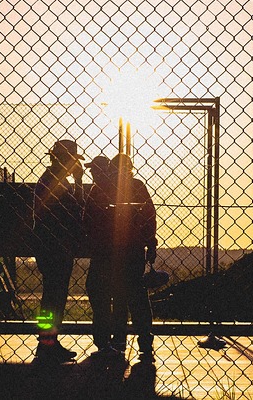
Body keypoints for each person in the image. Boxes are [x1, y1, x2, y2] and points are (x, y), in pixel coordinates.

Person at [33, 139, 86, 362]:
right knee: (54, 297)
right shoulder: (56, 182)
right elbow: (76, 212)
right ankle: (47, 343)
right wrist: (79, 181)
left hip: (51, 245)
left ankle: (47, 342)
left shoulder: (53, 179)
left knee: (52, 297)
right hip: (55, 246)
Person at [108, 153, 157, 363]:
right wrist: (150, 243)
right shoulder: (136, 185)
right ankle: (144, 342)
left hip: (118, 249)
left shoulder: (110, 187)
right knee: (136, 297)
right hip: (132, 248)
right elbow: (150, 217)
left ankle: (120, 340)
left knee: (120, 298)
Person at [83, 154, 117, 357]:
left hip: (106, 250)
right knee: (100, 294)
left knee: (101, 294)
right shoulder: (101, 190)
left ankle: (104, 341)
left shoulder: (105, 190)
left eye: (95, 170)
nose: (92, 173)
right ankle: (104, 341)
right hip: (103, 249)